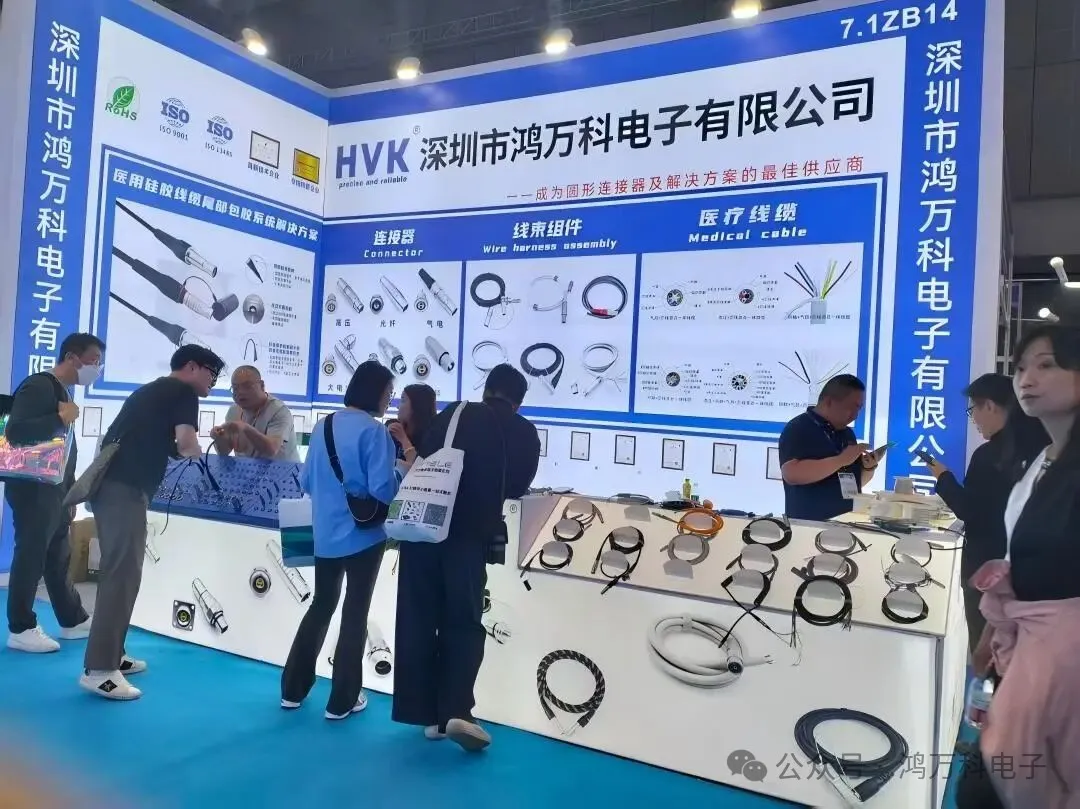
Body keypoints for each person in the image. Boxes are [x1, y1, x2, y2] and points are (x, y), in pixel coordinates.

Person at [956, 324, 1080, 809]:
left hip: (1063, 665)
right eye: (1021, 367)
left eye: (1047, 365)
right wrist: (991, 635)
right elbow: (1015, 558)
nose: (1027, 378)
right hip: (1026, 650)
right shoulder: (1043, 460)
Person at [392, 363, 540, 752]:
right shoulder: (521, 430)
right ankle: (457, 710)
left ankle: (426, 713)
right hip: (467, 537)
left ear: (486, 389)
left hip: (422, 530)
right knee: (463, 620)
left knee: (419, 618)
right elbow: (517, 485)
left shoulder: (451, 415)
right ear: (518, 400)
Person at [80, 344, 224, 700]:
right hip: (124, 489)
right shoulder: (183, 392)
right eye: (212, 373)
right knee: (121, 574)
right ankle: (100, 670)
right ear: (192, 367)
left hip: (115, 487)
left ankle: (114, 653)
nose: (213, 381)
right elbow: (186, 443)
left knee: (125, 573)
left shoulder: (152, 391)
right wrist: (208, 460)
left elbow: (159, 441)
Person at [280, 361, 399, 721]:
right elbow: (384, 489)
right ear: (376, 392)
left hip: (325, 534)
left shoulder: (323, 426)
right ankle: (343, 700)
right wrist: (402, 470)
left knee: (321, 605)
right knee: (354, 612)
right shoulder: (375, 432)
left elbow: (306, 481)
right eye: (388, 392)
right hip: (364, 537)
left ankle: (292, 690)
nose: (389, 399)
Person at [925, 373, 1048, 653]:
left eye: (973, 410)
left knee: (990, 652)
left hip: (988, 572)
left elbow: (970, 510)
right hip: (1032, 571)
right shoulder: (1043, 448)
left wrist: (943, 478)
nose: (974, 420)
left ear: (990, 406)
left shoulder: (989, 455)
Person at [3, 333, 103, 653]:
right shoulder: (39, 385)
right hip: (33, 490)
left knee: (57, 556)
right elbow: (15, 432)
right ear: (72, 357)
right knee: (31, 554)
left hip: (54, 489)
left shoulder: (61, 390)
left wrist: (70, 493)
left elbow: (63, 450)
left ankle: (72, 618)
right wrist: (59, 417)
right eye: (93, 361)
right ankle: (21, 627)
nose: (96, 369)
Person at [777, 374, 878, 521]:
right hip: (809, 525)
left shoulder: (847, 433)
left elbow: (851, 483)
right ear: (829, 402)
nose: (855, 415)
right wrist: (841, 460)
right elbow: (791, 474)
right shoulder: (799, 428)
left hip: (846, 521)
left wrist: (868, 468)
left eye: (859, 409)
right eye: (852, 408)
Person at [210, 365, 299, 462]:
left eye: (247, 386)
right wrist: (219, 437)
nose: (240, 392)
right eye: (235, 388)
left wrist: (245, 428)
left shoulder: (279, 411)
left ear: (262, 386)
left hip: (283, 470)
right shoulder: (233, 411)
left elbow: (272, 450)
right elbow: (223, 452)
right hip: (248, 469)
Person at [387, 383, 436, 464]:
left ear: (417, 405)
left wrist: (403, 440)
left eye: (403, 400)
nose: (398, 407)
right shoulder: (392, 428)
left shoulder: (433, 438)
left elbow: (420, 467)